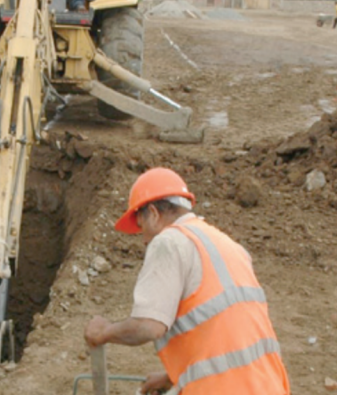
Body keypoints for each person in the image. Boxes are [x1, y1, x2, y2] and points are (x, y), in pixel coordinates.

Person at [84, 168, 290, 395]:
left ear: (153, 213)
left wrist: (104, 332)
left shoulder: (169, 242)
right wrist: (173, 377)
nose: (143, 240)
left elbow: (148, 326)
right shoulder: (228, 245)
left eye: (142, 228)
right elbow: (228, 336)